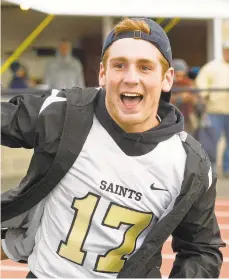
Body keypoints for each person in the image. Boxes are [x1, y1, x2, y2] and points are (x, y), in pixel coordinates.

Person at [1, 17, 225, 278]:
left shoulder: (189, 164)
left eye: (144, 67)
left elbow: (201, 250)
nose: (131, 78)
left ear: (167, 78)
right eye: (119, 65)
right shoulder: (65, 115)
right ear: (103, 74)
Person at [196, 41, 229, 178]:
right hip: (214, 111)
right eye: (227, 50)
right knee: (210, 142)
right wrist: (205, 95)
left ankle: (227, 169)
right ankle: (211, 170)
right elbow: (201, 83)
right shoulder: (211, 67)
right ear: (223, 51)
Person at [171, 59, 199, 134]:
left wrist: (192, 98)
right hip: (171, 119)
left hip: (187, 119)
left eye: (182, 75)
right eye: (177, 75)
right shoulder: (167, 83)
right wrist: (180, 98)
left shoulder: (188, 83)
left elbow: (197, 98)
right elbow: (164, 100)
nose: (180, 78)